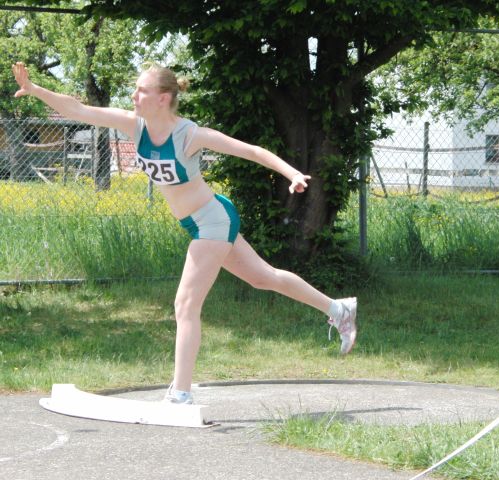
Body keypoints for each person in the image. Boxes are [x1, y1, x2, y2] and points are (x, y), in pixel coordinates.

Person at [11, 62, 357, 404]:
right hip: (197, 222)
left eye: (141, 90)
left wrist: (292, 173)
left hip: (213, 221)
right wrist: (35, 89)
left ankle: (180, 393)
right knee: (264, 277)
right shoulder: (135, 126)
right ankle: (338, 309)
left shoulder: (189, 135)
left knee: (185, 304)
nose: (133, 96)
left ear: (163, 98)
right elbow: (78, 110)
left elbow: (250, 151)